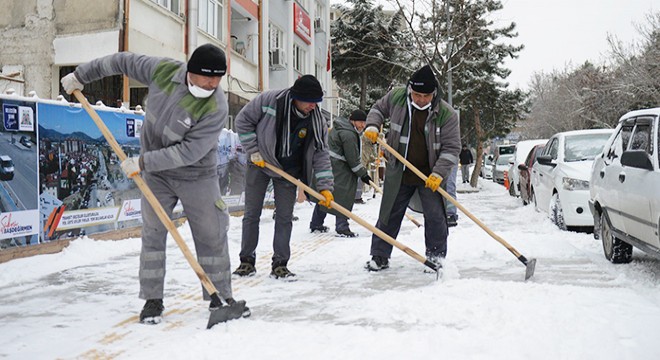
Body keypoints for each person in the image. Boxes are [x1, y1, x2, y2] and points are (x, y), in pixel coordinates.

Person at [60, 44, 246, 324]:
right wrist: (81, 76)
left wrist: (144, 163)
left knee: (212, 232)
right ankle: (152, 300)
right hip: (158, 177)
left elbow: (189, 152)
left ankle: (220, 296)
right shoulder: (162, 70)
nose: (213, 84)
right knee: (153, 234)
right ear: (190, 72)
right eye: (208, 77)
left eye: (218, 78)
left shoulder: (215, 105)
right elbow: (120, 61)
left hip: (196, 174)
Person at [233, 75, 334, 280]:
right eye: (310, 102)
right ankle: (246, 261)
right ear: (296, 97)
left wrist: (325, 187)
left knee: (284, 217)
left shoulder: (317, 120)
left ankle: (280, 264)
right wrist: (253, 150)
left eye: (317, 102)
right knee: (252, 214)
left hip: (289, 172)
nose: (314, 106)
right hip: (260, 162)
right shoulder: (270, 100)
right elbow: (242, 121)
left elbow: (321, 153)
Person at [362, 65, 460, 271]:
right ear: (410, 90)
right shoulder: (397, 98)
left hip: (429, 174)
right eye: (417, 94)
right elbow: (377, 109)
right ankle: (379, 255)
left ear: (434, 93)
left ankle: (436, 257)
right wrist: (372, 126)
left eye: (426, 95)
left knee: (435, 217)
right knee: (389, 213)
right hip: (400, 171)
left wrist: (438, 173)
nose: (421, 99)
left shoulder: (446, 113)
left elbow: (452, 148)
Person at [309, 109, 371, 237]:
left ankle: (316, 223)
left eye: (364, 123)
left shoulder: (341, 127)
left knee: (325, 196)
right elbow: (352, 159)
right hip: (340, 170)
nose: (362, 126)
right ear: (353, 120)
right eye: (361, 122)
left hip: (332, 166)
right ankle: (342, 227)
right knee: (343, 196)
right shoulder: (348, 134)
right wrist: (363, 174)